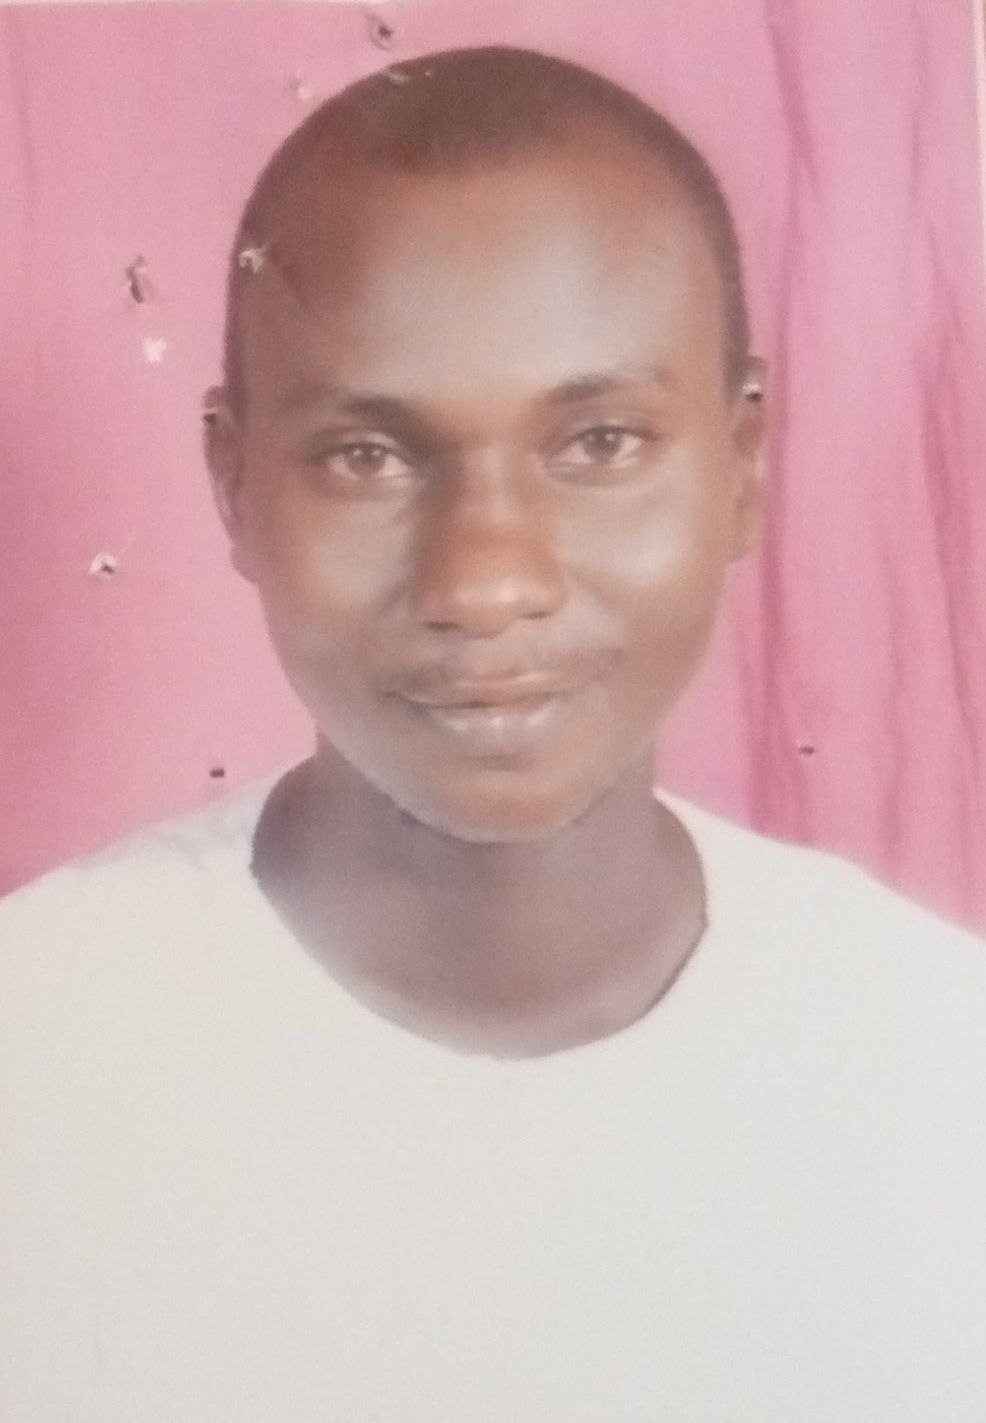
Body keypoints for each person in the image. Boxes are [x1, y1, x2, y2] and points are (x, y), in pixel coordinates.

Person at [1, 45, 984, 1423]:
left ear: (742, 464)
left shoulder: (935, 1069)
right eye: (368, 456)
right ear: (233, 485)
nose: (486, 581)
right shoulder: (38, 1068)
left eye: (600, 444)